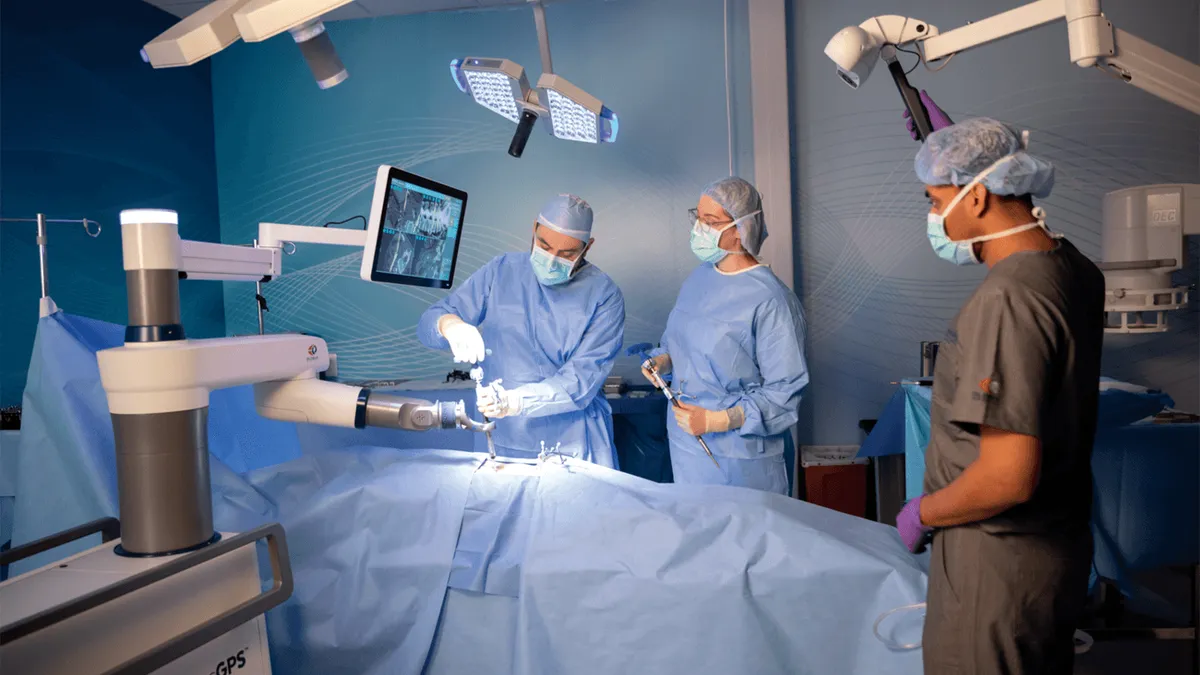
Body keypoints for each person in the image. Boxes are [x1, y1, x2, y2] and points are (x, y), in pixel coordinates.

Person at [894, 113, 1105, 675]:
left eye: (936, 202)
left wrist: (925, 512)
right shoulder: (1074, 267)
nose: (934, 217)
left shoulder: (1008, 299)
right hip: (1051, 553)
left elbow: (1007, 476)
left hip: (998, 566)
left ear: (979, 197)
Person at [417, 194, 625, 467]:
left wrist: (514, 402)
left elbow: (581, 381)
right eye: (544, 245)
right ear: (534, 229)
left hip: (573, 443)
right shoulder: (501, 271)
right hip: (502, 441)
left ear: (588, 247)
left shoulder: (604, 295)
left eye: (567, 254)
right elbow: (428, 324)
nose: (551, 260)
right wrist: (449, 324)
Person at [643, 177, 808, 494]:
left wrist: (719, 421)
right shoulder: (698, 279)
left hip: (741, 458)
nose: (698, 229)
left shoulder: (771, 300)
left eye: (711, 221)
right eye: (698, 217)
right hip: (686, 446)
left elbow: (784, 392)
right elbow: (683, 341)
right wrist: (664, 359)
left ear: (741, 229)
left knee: (747, 539)